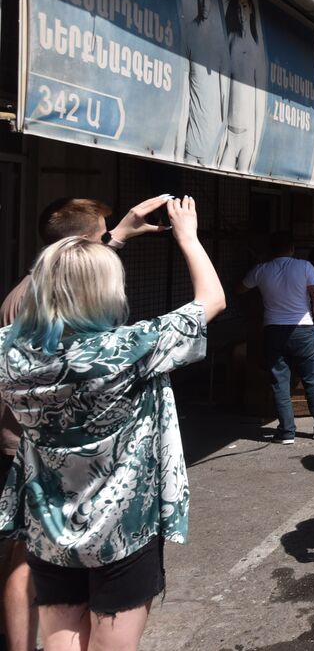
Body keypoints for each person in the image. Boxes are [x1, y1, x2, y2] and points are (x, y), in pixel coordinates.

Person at [0, 196, 225, 651]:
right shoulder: (130, 348)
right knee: (112, 640)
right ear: (107, 291)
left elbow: (50, 290)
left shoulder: (9, 348)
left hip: (48, 523)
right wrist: (187, 235)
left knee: (61, 633)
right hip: (121, 527)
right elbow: (211, 300)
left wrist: (112, 237)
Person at [240, 232, 314, 444]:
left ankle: (286, 431)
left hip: (273, 329)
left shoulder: (261, 270)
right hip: (303, 328)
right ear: (292, 248)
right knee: (312, 378)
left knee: (279, 380)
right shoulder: (305, 267)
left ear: (271, 250)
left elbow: (240, 288)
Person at [174, 0, 229, 166]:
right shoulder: (188, 34)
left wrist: (220, 142)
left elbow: (225, 99)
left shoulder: (220, 41)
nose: (205, 1)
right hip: (191, 143)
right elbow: (184, 94)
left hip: (212, 146)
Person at [219, 0, 263, 172]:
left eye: (244, 6)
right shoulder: (228, 41)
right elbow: (222, 89)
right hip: (228, 134)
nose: (241, 12)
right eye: (237, 7)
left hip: (247, 137)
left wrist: (255, 144)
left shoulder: (256, 51)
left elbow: (259, 105)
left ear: (251, 9)